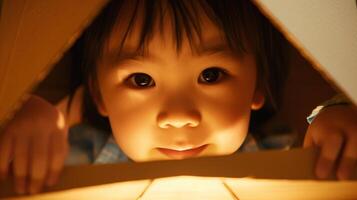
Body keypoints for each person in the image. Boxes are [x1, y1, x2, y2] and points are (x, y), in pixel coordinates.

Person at [0, 0, 356, 195]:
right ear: (100, 95)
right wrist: (26, 113)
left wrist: (334, 118)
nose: (179, 115)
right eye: (141, 80)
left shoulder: (275, 150)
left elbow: (318, 148)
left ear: (257, 86)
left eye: (210, 75)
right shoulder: (81, 152)